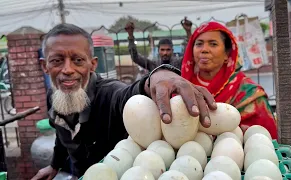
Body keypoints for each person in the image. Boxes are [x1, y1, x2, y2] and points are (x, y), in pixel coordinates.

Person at [31, 23, 216, 179]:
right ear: (44, 66)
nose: (68, 69)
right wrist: (54, 165)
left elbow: (128, 95)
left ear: (92, 64)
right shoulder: (54, 96)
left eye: (78, 60)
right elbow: (62, 133)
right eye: (56, 61)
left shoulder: (108, 93)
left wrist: (160, 74)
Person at [180, 21, 278, 139]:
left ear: (227, 54)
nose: (204, 49)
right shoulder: (182, 87)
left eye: (213, 44)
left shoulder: (246, 92)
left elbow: (263, 139)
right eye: (199, 44)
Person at [125, 17, 193, 71]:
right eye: (162, 50)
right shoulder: (153, 64)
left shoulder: (178, 63)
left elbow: (190, 54)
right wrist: (130, 36)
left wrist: (188, 32)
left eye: (168, 50)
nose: (165, 53)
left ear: (172, 50)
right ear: (158, 50)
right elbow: (135, 58)